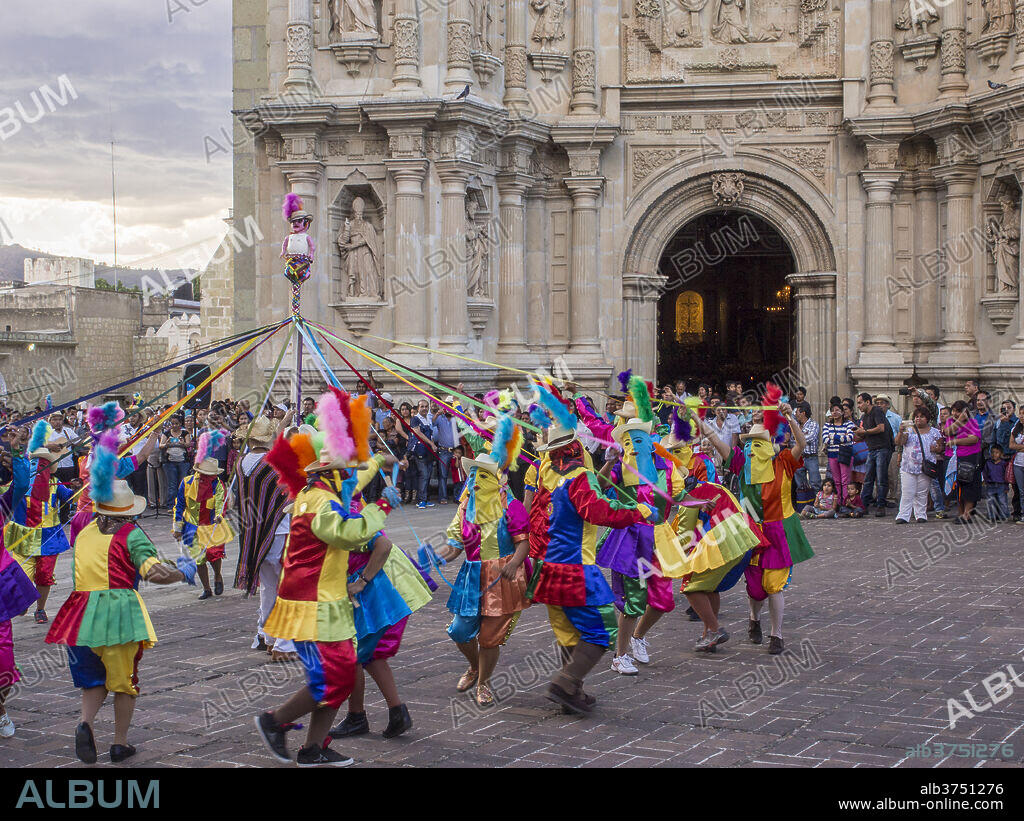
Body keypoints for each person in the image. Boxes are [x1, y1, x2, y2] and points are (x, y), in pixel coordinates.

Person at [254, 391, 401, 767]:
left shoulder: (316, 491)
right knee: (330, 680)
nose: (352, 475)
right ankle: (275, 722)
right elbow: (349, 535)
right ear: (333, 474)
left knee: (340, 678)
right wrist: (382, 505)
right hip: (313, 604)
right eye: (347, 472)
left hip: (326, 602)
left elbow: (355, 476)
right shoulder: (322, 503)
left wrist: (378, 461)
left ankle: (312, 748)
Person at [45, 464, 195, 764]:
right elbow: (153, 573)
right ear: (129, 510)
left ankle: (85, 723)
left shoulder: (86, 531)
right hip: (118, 614)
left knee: (92, 679)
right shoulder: (131, 534)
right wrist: (181, 573)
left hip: (79, 615)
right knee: (124, 681)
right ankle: (119, 743)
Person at [527, 388, 656, 715]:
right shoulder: (577, 476)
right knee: (602, 631)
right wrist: (638, 511)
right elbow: (598, 510)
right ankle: (565, 681)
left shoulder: (551, 476)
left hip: (551, 566)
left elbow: (586, 495)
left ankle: (573, 690)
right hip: (574, 568)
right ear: (576, 448)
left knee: (570, 633)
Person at [437, 416, 530, 706]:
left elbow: (524, 543)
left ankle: (484, 682)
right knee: (460, 631)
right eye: (474, 475)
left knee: (490, 638)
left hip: (502, 576)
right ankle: (475, 665)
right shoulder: (465, 507)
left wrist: (514, 564)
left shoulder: (511, 506)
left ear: (496, 479)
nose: (476, 481)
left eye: (483, 475)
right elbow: (454, 546)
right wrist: (436, 558)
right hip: (472, 576)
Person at [729, 394, 814, 655]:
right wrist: (700, 421)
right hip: (752, 530)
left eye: (759, 443)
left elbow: (802, 443)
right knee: (755, 589)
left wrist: (789, 417)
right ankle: (754, 620)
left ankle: (776, 635)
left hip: (778, 532)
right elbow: (720, 448)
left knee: (773, 586)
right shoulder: (742, 465)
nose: (754, 448)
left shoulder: (784, 462)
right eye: (751, 444)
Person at [232, 416, 297, 661]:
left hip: (254, 537)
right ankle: (284, 644)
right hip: (278, 532)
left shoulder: (241, 463)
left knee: (269, 588)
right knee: (287, 587)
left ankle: (269, 637)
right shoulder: (274, 463)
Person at [0, 428, 37, 738]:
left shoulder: (1, 507)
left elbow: (22, 485)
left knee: (3, 659)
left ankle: (0, 711)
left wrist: (15, 452)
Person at [173, 429, 231, 600]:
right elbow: (179, 505)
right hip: (192, 525)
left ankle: (218, 576)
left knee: (214, 555)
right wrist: (177, 528)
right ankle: (206, 588)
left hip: (212, 524)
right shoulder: (187, 483)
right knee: (199, 559)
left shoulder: (218, 484)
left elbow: (221, 501)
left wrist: (220, 515)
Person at [894, 408, 942, 524]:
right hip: (908, 466)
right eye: (916, 416)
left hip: (925, 467)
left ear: (927, 419)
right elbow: (899, 442)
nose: (918, 419)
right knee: (907, 491)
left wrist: (935, 448)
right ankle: (903, 515)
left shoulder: (934, 432)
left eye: (921, 416)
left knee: (922, 492)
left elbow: (941, 447)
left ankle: (921, 514)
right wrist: (900, 431)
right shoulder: (909, 430)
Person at [853, 393, 893, 517]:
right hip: (872, 449)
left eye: (860, 403)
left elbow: (881, 428)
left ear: (868, 402)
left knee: (881, 478)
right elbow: (863, 435)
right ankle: (864, 506)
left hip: (882, 448)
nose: (858, 406)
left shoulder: (877, 411)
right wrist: (857, 431)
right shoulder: (864, 417)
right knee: (868, 479)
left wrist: (864, 431)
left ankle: (881, 505)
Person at [943, 400, 982, 524]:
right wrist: (959, 421)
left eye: (959, 411)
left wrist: (956, 442)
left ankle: (967, 514)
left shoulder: (973, 422)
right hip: (954, 459)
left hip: (970, 457)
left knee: (969, 487)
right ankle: (960, 513)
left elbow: (974, 439)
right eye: (954, 410)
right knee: (958, 487)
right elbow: (948, 432)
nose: (955, 413)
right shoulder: (950, 422)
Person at [822, 403, 855, 503]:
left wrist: (833, 436)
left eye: (837, 410)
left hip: (845, 454)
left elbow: (850, 437)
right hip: (832, 455)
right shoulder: (827, 425)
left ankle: (845, 501)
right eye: (832, 410)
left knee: (845, 480)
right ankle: (838, 502)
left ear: (842, 412)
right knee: (836, 481)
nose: (835, 412)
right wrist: (841, 438)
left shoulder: (849, 424)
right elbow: (825, 439)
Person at [160, 416, 191, 509]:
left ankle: (182, 505)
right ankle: (171, 506)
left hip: (183, 461)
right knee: (172, 485)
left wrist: (183, 443)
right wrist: (167, 444)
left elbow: (188, 444)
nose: (174, 426)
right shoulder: (166, 434)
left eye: (176, 424)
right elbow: (161, 445)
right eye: (172, 424)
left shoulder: (185, 433)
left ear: (180, 424)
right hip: (170, 462)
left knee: (182, 484)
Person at [431, 405, 457, 504]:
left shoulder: (456, 418)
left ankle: (457, 495)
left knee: (457, 475)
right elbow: (432, 423)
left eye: (450, 406)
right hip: (443, 451)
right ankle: (443, 497)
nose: (448, 408)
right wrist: (438, 413)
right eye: (446, 406)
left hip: (456, 451)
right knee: (443, 475)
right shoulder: (440, 418)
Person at [793, 405, 821, 492]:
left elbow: (810, 437)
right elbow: (791, 439)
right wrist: (801, 437)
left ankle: (816, 504)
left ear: (803, 413)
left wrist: (797, 437)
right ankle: (803, 503)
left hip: (811, 457)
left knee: (815, 482)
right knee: (800, 484)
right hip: (799, 458)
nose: (795, 414)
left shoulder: (813, 424)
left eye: (797, 412)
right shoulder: (795, 425)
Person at [983, 444, 1011, 522]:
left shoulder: (1003, 464)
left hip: (1001, 485)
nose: (994, 454)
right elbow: (985, 473)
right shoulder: (988, 463)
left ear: (1001, 454)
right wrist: (986, 481)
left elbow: (1006, 476)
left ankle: (1003, 515)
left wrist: (1006, 486)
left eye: (996, 452)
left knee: (1002, 501)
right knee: (990, 502)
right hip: (990, 484)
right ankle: (991, 516)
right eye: (992, 452)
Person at [1010, 417, 1024, 525]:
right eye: (1021, 413)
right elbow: (1011, 445)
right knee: (1021, 491)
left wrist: (1018, 447)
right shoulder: (1016, 429)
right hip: (1018, 464)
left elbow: (1015, 446)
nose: (1022, 416)